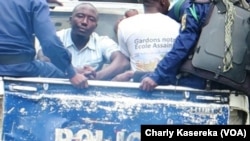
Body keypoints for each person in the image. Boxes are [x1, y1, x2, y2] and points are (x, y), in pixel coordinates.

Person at [0, 0, 89, 89]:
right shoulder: (36, 3)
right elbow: (50, 43)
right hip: (19, 68)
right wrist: (71, 73)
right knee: (61, 72)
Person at [36, 3, 130, 80]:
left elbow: (122, 62)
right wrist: (74, 72)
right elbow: (43, 58)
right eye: (80, 16)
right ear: (70, 20)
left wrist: (96, 76)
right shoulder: (57, 37)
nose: (85, 22)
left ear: (95, 26)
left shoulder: (101, 41)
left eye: (91, 19)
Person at [112, 0, 180, 82]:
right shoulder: (177, 26)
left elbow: (125, 59)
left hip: (137, 86)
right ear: (163, 2)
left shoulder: (124, 25)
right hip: (168, 85)